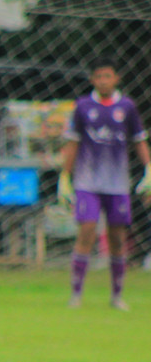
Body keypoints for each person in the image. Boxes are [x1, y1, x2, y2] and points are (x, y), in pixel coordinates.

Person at [58, 55, 151, 311]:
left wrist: (149, 169)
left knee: (117, 238)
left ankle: (117, 295)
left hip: (117, 183)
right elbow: (73, 143)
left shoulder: (127, 107)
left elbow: (139, 140)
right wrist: (64, 177)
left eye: (108, 76)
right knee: (86, 231)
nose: (103, 80)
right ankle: (76, 294)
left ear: (116, 78)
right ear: (92, 79)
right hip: (87, 182)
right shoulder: (83, 106)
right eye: (98, 76)